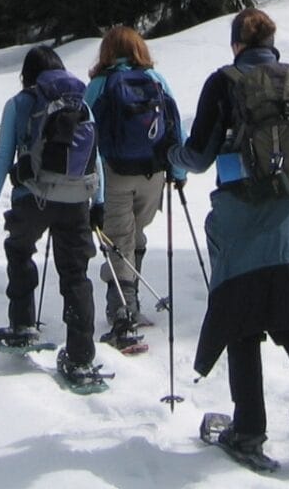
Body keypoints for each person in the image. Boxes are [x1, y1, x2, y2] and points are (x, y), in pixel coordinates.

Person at [169, 8, 289, 464]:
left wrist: (173, 158)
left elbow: (199, 153)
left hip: (242, 214)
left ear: (237, 44)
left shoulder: (224, 81)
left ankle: (249, 429)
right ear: (272, 42)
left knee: (242, 316)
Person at [0, 46, 102, 381]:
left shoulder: (19, 104)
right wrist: (99, 203)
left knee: (19, 251)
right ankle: (80, 357)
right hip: (77, 199)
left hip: (31, 197)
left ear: (27, 74)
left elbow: (4, 152)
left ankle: (22, 324)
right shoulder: (82, 101)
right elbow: (95, 154)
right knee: (76, 274)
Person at [82, 25, 185, 348]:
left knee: (118, 240)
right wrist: (178, 172)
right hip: (152, 174)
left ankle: (122, 311)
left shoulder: (98, 85)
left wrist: (87, 181)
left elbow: (86, 135)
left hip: (114, 173)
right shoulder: (157, 81)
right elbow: (175, 127)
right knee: (133, 235)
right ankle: (130, 302)